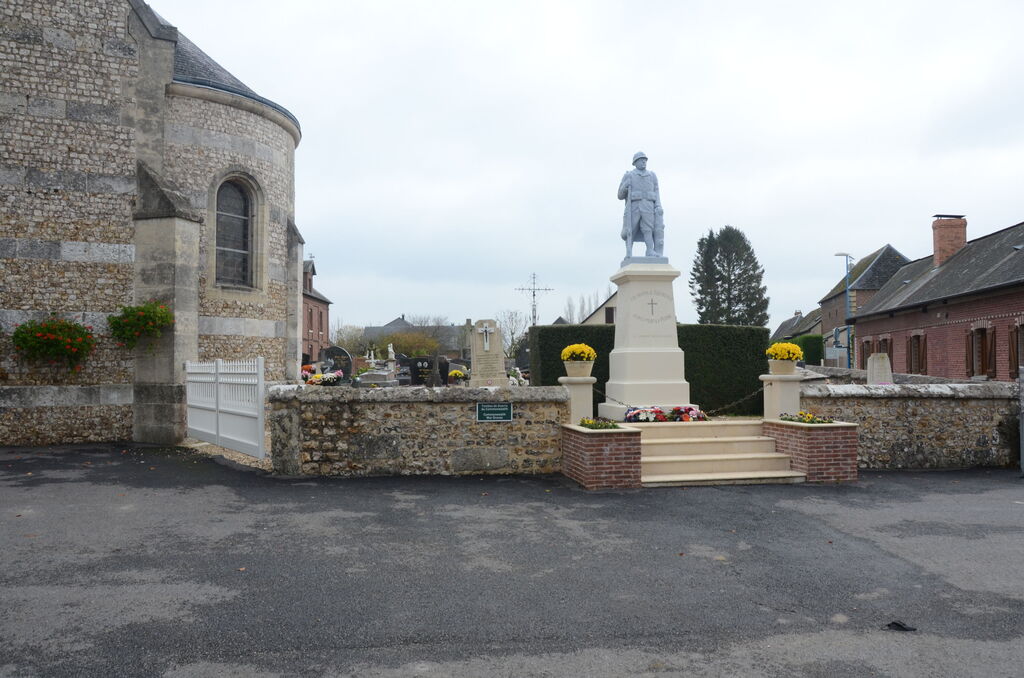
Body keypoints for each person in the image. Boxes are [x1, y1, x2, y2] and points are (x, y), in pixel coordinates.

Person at [618, 151, 664, 257]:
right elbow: (620, 195)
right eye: (641, 160)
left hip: (648, 205)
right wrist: (625, 185)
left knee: (648, 228)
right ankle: (629, 251)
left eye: (645, 160)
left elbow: (657, 192)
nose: (644, 162)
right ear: (635, 162)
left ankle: (650, 250)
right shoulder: (629, 175)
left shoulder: (652, 176)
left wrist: (658, 205)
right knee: (631, 229)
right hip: (634, 206)